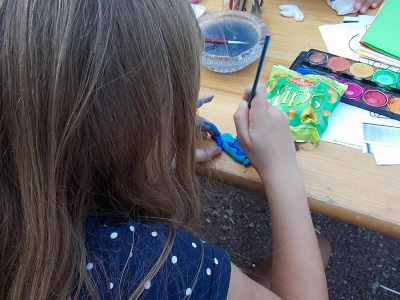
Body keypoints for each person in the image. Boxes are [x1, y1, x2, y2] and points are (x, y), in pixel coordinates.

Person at [0, 0, 331, 299]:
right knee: (319, 247)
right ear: (135, 131)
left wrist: (151, 151)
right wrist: (281, 168)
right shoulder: (147, 265)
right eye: (181, 104)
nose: (189, 117)